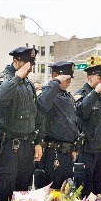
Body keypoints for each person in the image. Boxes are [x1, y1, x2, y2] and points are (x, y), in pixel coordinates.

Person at [0, 47, 44, 201]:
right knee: (4, 198)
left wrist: (38, 141)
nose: (30, 68)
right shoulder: (3, 79)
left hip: (26, 148)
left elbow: (36, 114)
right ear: (15, 62)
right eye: (26, 64)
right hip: (7, 149)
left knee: (23, 198)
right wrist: (16, 78)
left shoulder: (28, 84)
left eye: (32, 64)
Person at [74, 54, 101, 197]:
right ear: (89, 78)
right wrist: (95, 92)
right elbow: (81, 111)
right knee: (85, 190)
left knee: (99, 190)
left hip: (100, 151)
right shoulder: (82, 94)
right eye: (99, 78)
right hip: (86, 151)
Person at [35, 61, 78, 189]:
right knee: (51, 192)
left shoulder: (68, 97)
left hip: (67, 152)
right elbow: (42, 105)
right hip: (51, 151)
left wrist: (74, 147)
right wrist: (55, 84)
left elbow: (73, 124)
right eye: (66, 78)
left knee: (66, 190)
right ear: (55, 75)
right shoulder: (46, 92)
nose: (69, 81)